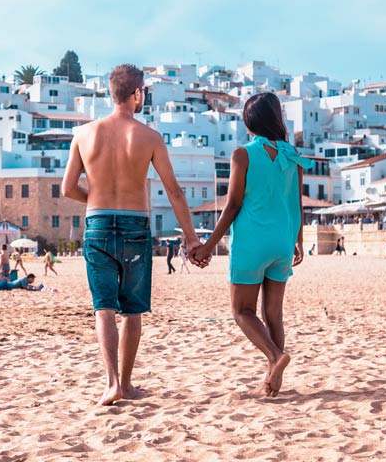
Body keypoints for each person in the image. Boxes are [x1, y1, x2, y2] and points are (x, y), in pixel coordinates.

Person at [62, 63, 203, 406]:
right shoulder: (149, 136)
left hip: (97, 224)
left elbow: (67, 189)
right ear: (137, 93)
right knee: (132, 311)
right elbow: (174, 193)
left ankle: (111, 384)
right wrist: (191, 238)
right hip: (135, 225)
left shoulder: (82, 135)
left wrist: (95, 199)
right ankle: (126, 383)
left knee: (104, 309)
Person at [190, 92, 313, 398]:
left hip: (251, 243)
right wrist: (298, 241)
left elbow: (232, 206)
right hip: (283, 242)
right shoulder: (292, 156)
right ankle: (272, 381)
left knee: (242, 310)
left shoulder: (242, 155)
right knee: (274, 314)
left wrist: (208, 246)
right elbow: (297, 204)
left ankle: (275, 358)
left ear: (249, 121)